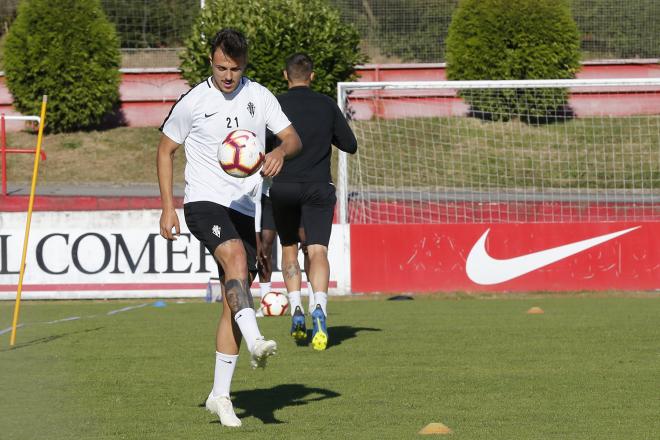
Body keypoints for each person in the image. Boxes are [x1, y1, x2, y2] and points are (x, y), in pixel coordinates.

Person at [157, 29, 301, 427]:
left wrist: (277, 151)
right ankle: (256, 341)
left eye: (235, 69)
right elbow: (165, 149)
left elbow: (292, 139)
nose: (227, 76)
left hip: (242, 208)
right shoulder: (194, 101)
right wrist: (168, 207)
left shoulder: (260, 96)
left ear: (244, 66)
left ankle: (220, 396)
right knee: (236, 259)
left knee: (231, 302)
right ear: (210, 61)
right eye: (221, 67)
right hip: (204, 203)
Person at [269, 53, 358, 351]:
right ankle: (318, 307)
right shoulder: (326, 105)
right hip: (319, 187)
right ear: (313, 76)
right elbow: (350, 145)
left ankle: (296, 309)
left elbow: (262, 145)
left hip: (284, 187)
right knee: (318, 250)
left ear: (285, 75)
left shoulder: (275, 104)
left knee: (289, 249)